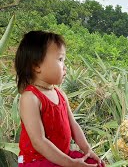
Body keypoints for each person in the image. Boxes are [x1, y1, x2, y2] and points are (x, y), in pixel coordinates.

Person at [15, 31, 104, 167]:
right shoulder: (30, 98)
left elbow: (73, 126)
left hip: (63, 155)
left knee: (95, 163)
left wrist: (87, 150)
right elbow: (39, 142)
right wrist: (70, 163)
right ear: (36, 66)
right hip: (38, 161)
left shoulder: (60, 94)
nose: (65, 66)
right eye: (60, 59)